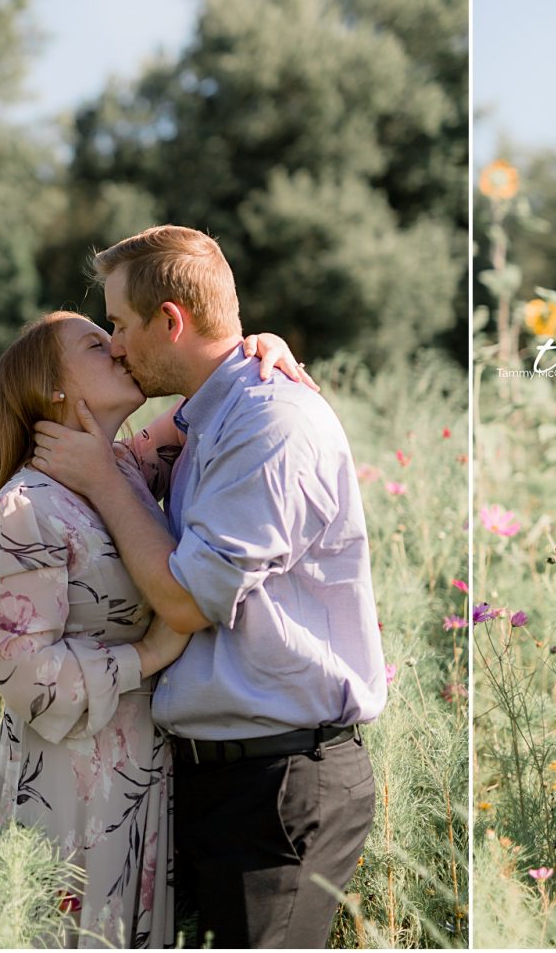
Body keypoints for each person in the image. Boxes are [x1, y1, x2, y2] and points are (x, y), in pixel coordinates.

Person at [27, 225, 386, 950]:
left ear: (171, 321)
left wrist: (98, 474)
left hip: (277, 784)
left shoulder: (270, 424)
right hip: (214, 779)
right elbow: (133, 468)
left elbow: (187, 601)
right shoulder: (215, 409)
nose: (117, 345)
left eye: (121, 326)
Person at [0, 309, 307, 949]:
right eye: (97, 344)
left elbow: (216, 389)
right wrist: (148, 654)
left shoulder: (123, 470)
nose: (120, 348)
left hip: (139, 773)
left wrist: (258, 345)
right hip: (65, 787)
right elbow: (26, 683)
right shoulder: (26, 510)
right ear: (54, 389)